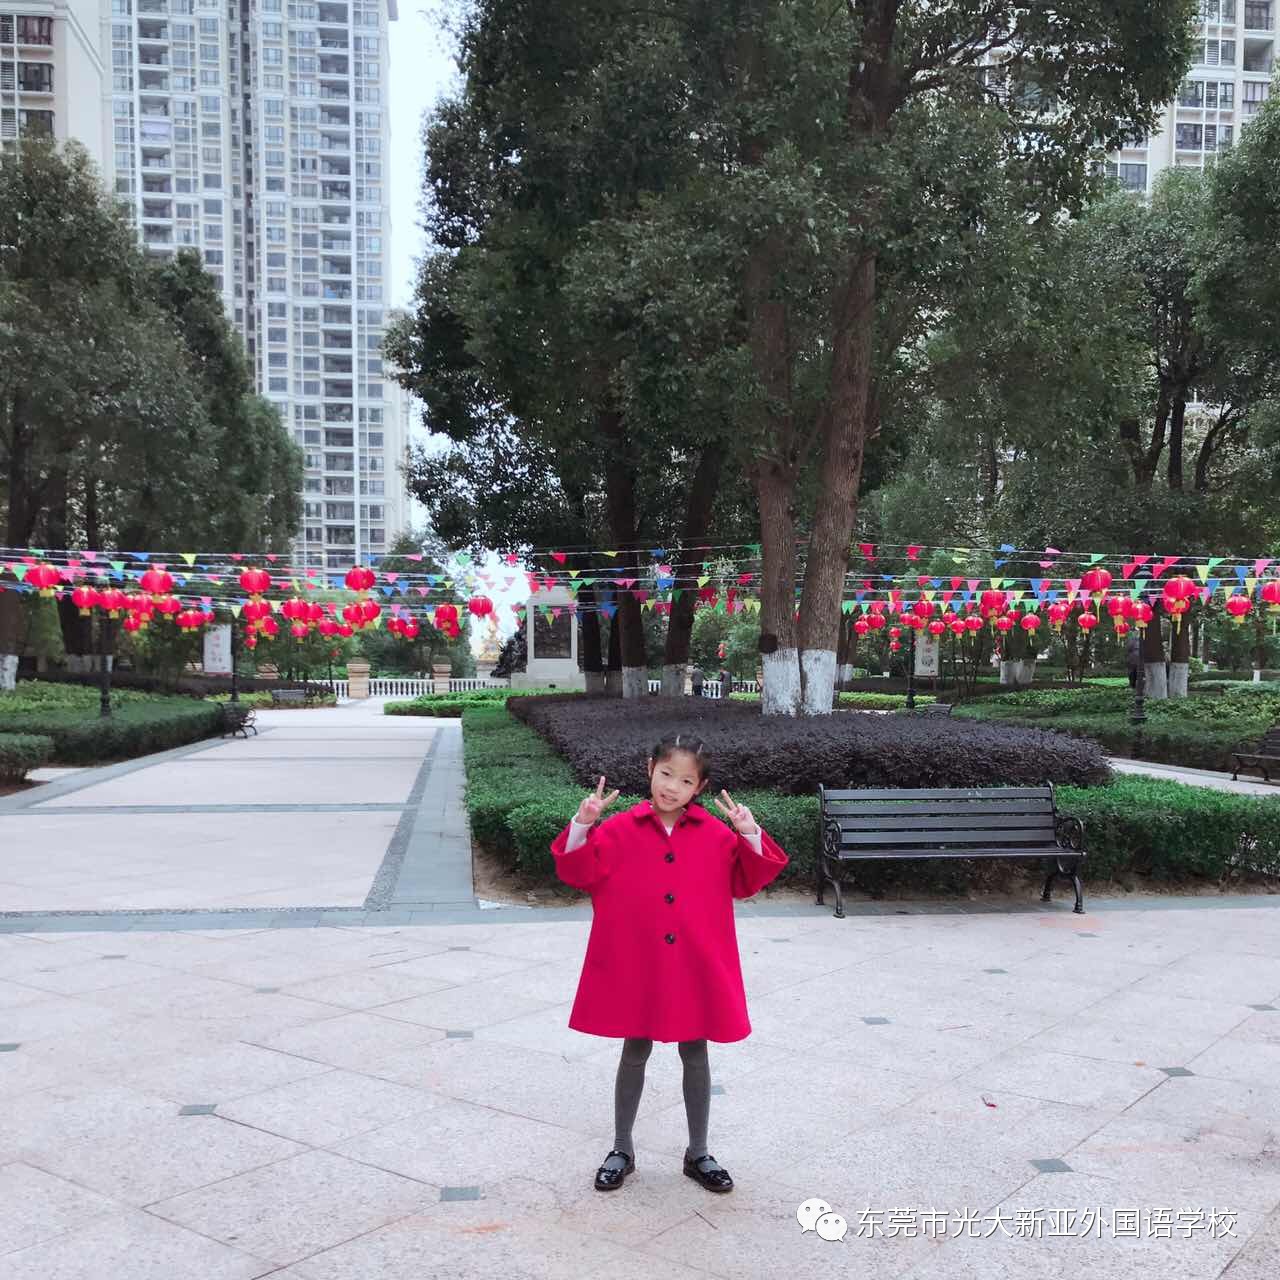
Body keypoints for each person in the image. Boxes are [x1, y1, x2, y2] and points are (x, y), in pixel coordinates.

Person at [550, 735, 789, 1195]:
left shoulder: (718, 836)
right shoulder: (618, 830)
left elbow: (748, 879)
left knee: (694, 1050)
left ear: (699, 787)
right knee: (634, 1049)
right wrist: (583, 823)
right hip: (639, 961)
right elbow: (576, 872)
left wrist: (749, 832)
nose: (672, 787)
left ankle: (698, 1151)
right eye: (665, 774)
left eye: (685, 780)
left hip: (692, 963)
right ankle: (621, 1148)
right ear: (649, 769)